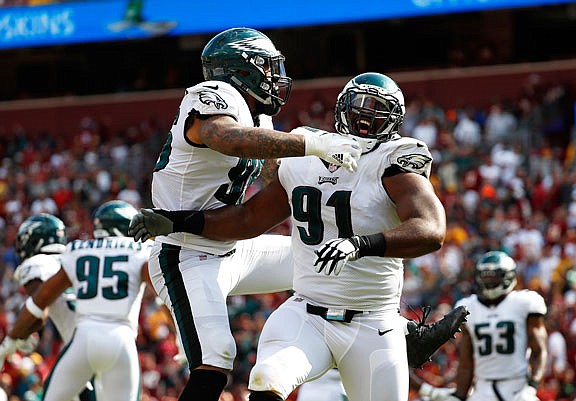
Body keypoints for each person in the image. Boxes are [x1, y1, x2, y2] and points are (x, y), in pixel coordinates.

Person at [130, 72, 468, 401]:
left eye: (375, 111)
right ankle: (407, 334)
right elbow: (248, 218)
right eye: (358, 107)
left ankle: (405, 334)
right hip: (308, 314)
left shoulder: (394, 161)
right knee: (266, 380)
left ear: (393, 121)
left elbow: (431, 230)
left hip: (373, 323)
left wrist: (360, 244)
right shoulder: (308, 155)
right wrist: (177, 222)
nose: (364, 118)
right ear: (340, 109)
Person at [140, 25, 363, 401]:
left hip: (229, 245)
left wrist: (322, 174)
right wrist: (310, 143)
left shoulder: (257, 117)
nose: (276, 76)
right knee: (215, 360)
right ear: (241, 68)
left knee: (336, 259)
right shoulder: (214, 95)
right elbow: (223, 137)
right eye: (267, 66)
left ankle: (403, 337)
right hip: (185, 252)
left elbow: (276, 178)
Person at [0, 200, 151, 401]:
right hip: (122, 339)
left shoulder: (72, 254)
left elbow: (38, 309)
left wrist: (13, 338)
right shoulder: (139, 251)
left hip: (82, 339)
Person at [423, 251, 548, 401]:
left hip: (517, 385)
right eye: (485, 277)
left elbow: (539, 351)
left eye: (494, 277)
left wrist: (531, 387)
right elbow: (466, 362)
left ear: (508, 276)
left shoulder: (525, 303)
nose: (489, 281)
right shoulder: (468, 307)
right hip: (483, 389)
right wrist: (460, 396)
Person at [11, 213, 96, 401]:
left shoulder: (38, 264)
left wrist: (16, 337)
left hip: (83, 349)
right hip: (115, 339)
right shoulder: (79, 257)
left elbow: (38, 311)